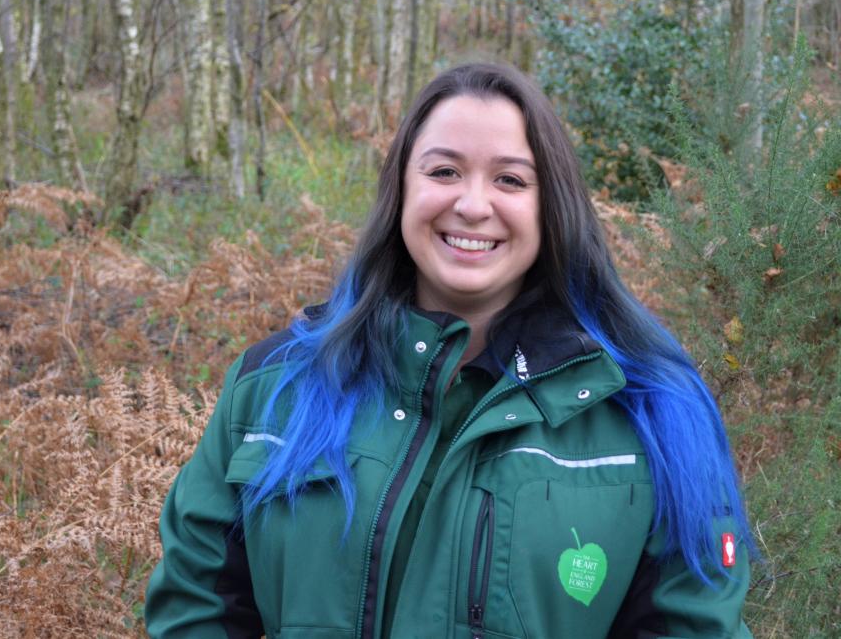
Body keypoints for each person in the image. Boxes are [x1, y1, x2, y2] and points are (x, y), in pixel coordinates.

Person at [145, 62, 754, 638]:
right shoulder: (274, 387)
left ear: (552, 206)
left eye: (510, 179)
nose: (471, 204)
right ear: (401, 189)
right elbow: (194, 607)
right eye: (444, 172)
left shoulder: (651, 411)